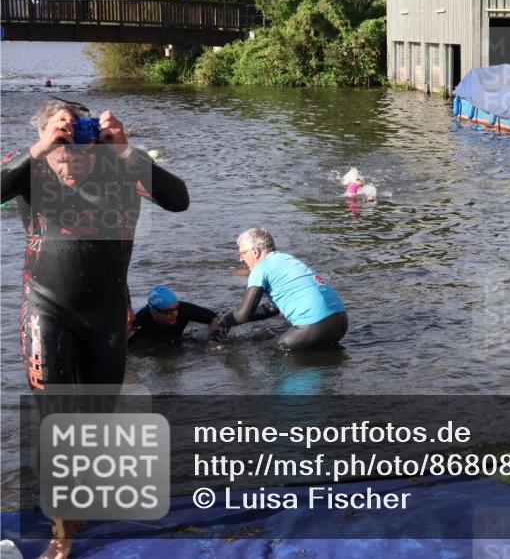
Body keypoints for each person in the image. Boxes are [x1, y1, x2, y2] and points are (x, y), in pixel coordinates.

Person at [0, 98, 189, 558]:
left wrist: (126, 150)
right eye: (62, 151)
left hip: (106, 313)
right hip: (46, 308)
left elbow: (179, 200)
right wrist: (40, 148)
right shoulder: (29, 164)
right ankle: (62, 533)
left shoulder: (121, 166)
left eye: (80, 150)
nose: (71, 164)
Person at [219, 227, 347, 351]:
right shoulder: (287, 259)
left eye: (242, 253)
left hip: (315, 324)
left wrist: (222, 321)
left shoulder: (260, 268)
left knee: (275, 352)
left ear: (255, 252)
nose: (241, 259)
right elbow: (274, 308)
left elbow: (243, 315)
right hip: (340, 321)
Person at [129, 285, 222, 344]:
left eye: (176, 309)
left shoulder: (184, 310)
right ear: (154, 313)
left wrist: (213, 340)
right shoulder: (140, 318)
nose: (176, 314)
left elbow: (215, 318)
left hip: (176, 339)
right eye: (169, 312)